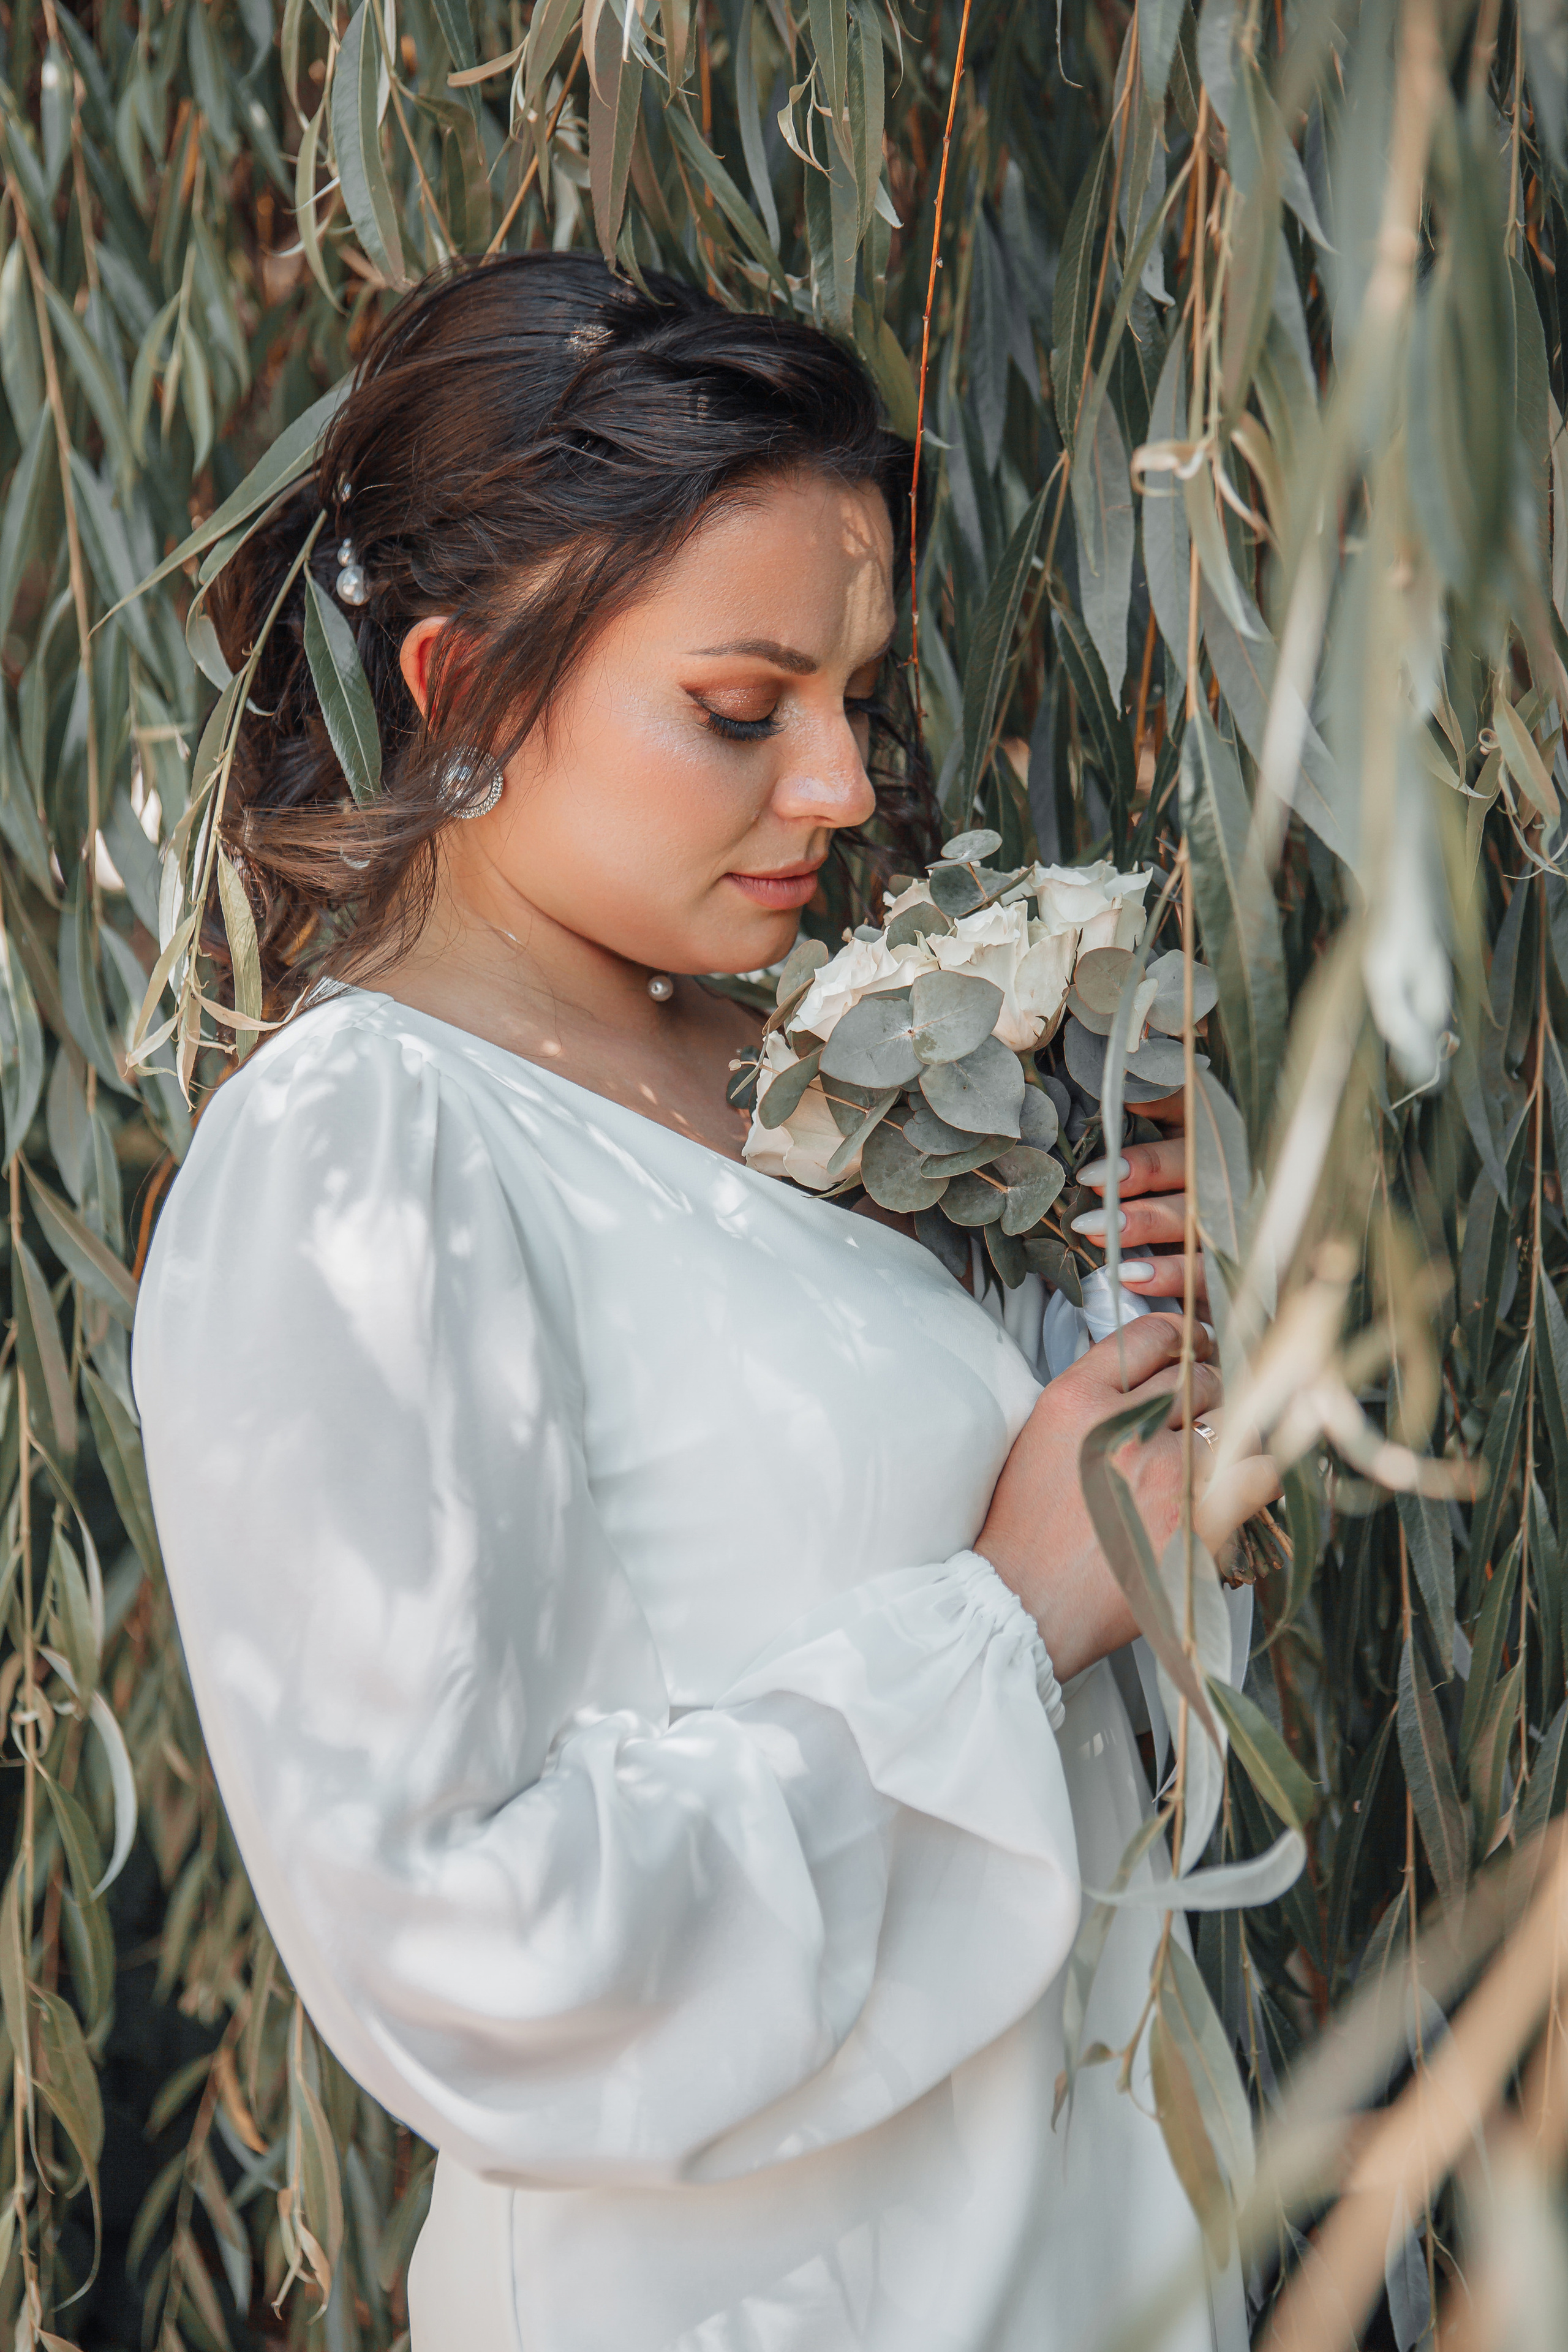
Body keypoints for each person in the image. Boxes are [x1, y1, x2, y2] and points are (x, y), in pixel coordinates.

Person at [132, 252, 1278, 2352]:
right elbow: (460, 1939)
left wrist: (1141, 1346)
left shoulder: (789, 1071)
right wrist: (1008, 1615)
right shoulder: (362, 1161)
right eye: (744, 713)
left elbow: (1055, 1672)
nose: (837, 790)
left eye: (853, 703)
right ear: (466, 686)